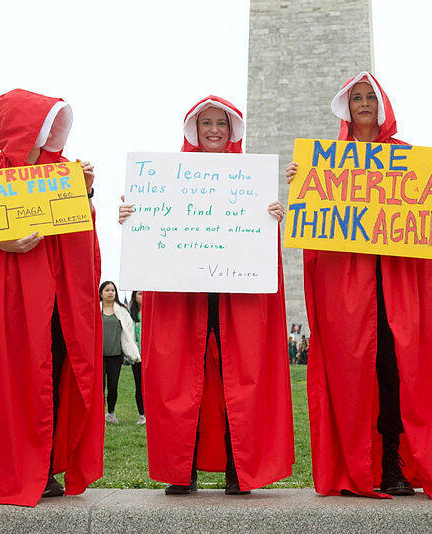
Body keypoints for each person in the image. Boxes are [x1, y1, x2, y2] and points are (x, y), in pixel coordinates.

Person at [286, 72, 432, 500]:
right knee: (352, 374)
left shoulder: (406, 158)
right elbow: (314, 223)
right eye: (357, 98)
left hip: (396, 284)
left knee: (394, 370)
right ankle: (354, 464)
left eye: (371, 97)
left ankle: (392, 461)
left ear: (382, 104)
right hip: (348, 288)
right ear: (346, 107)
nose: (364, 104)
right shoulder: (327, 160)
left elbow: (421, 214)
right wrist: (299, 180)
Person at [118, 95, 294, 495]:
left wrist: (271, 218)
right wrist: (132, 216)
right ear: (194, 129)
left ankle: (237, 467)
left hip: (237, 293)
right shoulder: (166, 177)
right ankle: (183, 470)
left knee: (237, 378)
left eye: (221, 123)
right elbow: (150, 231)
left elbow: (259, 242)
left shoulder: (250, 178)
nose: (214, 130)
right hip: (184, 295)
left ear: (232, 130)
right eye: (206, 123)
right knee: (183, 377)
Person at [0, 89, 103, 506]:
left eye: (50, 127)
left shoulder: (61, 172)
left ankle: (45, 467)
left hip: (56, 299)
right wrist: (2, 241)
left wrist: (85, 194)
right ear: (18, 128)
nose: (45, 136)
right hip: (8, 298)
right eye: (39, 126)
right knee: (10, 379)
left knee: (51, 374)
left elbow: (80, 236)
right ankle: (9, 466)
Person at [100, 281, 140, 424]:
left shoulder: (122, 311)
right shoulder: (95, 309)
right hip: (99, 356)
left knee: (113, 386)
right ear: (101, 293)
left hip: (116, 356)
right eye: (107, 290)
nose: (110, 293)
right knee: (99, 387)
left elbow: (129, 333)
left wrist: (131, 351)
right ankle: (99, 415)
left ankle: (111, 413)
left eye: (112, 290)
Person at [128, 291, 146, 425]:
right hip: (137, 356)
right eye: (140, 293)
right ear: (134, 296)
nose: (142, 296)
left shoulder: (152, 313)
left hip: (151, 356)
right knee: (139, 385)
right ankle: (142, 414)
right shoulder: (130, 315)